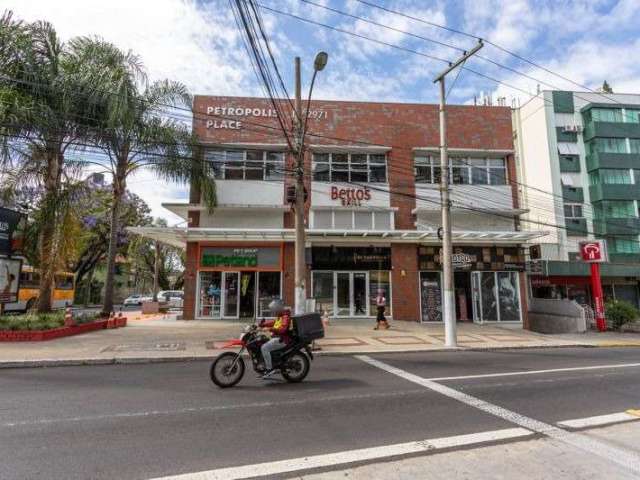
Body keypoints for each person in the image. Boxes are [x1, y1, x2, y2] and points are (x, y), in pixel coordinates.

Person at [259, 298, 291, 378]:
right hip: (276, 338)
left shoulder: (285, 317)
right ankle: (267, 363)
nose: (273, 312)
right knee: (261, 342)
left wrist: (270, 329)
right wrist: (262, 325)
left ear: (278, 308)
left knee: (264, 348)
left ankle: (269, 369)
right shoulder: (280, 316)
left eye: (274, 310)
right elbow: (273, 323)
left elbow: (283, 329)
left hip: (282, 340)